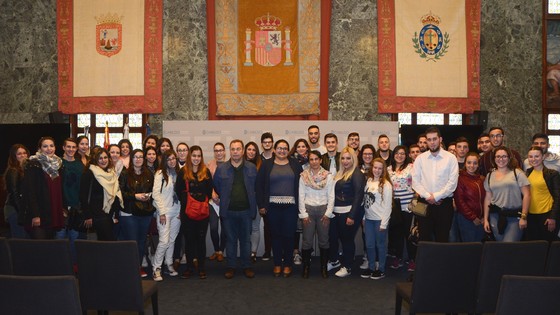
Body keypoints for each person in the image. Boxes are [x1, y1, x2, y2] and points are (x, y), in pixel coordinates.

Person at [256, 140, 303, 277]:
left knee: (289, 236)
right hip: (272, 207)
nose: (282, 151)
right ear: (274, 150)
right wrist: (262, 205)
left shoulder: (295, 164)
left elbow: (302, 186)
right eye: (280, 148)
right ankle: (277, 264)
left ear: (288, 150)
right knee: (275, 236)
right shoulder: (266, 165)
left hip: (291, 207)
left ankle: (287, 264)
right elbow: (259, 186)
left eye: (285, 148)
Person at [214, 140, 258, 279]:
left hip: (246, 211)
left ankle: (247, 266)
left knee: (246, 240)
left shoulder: (251, 168)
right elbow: (216, 186)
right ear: (229, 151)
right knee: (231, 240)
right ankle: (231, 266)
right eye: (233, 149)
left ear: (243, 150)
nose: (235, 151)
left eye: (238, 149)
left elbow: (256, 187)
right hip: (228, 211)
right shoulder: (222, 169)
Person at [411, 127, 459, 242]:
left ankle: (440, 261)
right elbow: (415, 182)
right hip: (423, 203)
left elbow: (452, 183)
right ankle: (425, 261)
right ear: (426, 141)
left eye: (434, 139)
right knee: (423, 237)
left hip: (444, 204)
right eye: (429, 139)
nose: (432, 142)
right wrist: (429, 197)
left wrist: (436, 196)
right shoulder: (420, 159)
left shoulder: (451, 158)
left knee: (442, 238)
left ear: (440, 139)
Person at [328, 147, 366, 278]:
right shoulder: (340, 173)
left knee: (347, 240)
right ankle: (335, 261)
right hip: (335, 213)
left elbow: (358, 196)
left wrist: (352, 215)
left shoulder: (357, 174)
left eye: (348, 158)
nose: (345, 161)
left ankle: (348, 266)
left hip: (348, 213)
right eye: (343, 158)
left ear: (353, 159)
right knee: (333, 238)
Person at [176, 146, 213, 279]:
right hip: (187, 212)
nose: (196, 158)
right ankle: (189, 267)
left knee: (201, 240)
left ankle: (202, 268)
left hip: (202, 213)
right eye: (194, 156)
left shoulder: (206, 171)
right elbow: (178, 191)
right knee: (189, 240)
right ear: (189, 157)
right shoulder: (183, 172)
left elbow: (209, 191)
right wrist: (189, 202)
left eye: (198, 156)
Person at [298, 150, 334, 278]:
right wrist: (304, 214)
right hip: (308, 210)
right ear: (309, 161)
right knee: (307, 241)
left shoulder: (328, 176)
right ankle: (306, 267)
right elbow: (301, 195)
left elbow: (331, 195)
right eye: (311, 159)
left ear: (320, 160)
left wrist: (328, 213)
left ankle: (324, 267)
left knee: (324, 241)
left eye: (316, 159)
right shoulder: (304, 176)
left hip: (323, 210)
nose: (313, 162)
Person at [119, 149, 155, 277]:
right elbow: (120, 194)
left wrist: (148, 195)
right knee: (132, 242)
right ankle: (131, 268)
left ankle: (138, 267)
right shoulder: (125, 174)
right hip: (129, 213)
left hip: (145, 213)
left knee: (141, 242)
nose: (138, 159)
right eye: (135, 157)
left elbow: (154, 191)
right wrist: (135, 196)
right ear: (131, 159)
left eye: (140, 157)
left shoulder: (149, 174)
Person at [483, 146, 530, 242]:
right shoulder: (489, 176)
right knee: (500, 247)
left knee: (508, 246)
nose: (501, 159)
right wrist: (485, 219)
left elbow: (527, 195)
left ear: (509, 158)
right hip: (495, 216)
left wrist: (524, 217)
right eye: (498, 156)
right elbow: (488, 198)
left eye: (504, 156)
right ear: (494, 159)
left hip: (514, 217)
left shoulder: (517, 173)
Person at [22, 137, 65, 239]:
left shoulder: (58, 164)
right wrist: (35, 215)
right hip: (40, 213)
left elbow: (60, 189)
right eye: (45, 146)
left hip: (53, 211)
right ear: (40, 149)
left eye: (51, 146)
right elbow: (30, 191)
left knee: (50, 247)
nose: (49, 149)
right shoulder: (33, 164)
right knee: (39, 248)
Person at [80, 147, 123, 241]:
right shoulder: (89, 173)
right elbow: (83, 195)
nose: (103, 160)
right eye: (100, 158)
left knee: (104, 241)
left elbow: (114, 194)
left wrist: (115, 214)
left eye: (105, 157)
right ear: (95, 160)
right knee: (108, 240)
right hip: (96, 213)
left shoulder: (111, 173)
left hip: (109, 212)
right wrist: (88, 215)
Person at [152, 150, 181, 281]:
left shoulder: (179, 173)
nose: (172, 161)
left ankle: (168, 264)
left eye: (174, 158)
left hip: (177, 211)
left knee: (172, 240)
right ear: (165, 161)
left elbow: (182, 194)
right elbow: (155, 194)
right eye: (169, 159)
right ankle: (156, 268)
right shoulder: (160, 173)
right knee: (163, 241)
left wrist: (180, 211)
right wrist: (162, 212)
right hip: (164, 211)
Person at [361, 158, 392, 280]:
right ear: (371, 168)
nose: (377, 170)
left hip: (380, 220)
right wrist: (364, 217)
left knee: (381, 245)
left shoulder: (386, 184)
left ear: (383, 170)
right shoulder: (368, 181)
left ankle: (381, 269)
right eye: (375, 167)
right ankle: (372, 267)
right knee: (369, 245)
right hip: (368, 219)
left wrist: (384, 224)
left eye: (380, 168)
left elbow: (388, 206)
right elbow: (366, 201)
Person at [57, 138, 87, 261]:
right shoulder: (57, 163)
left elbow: (83, 188)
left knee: (74, 240)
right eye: (68, 147)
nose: (71, 149)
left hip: (76, 208)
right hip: (61, 207)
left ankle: (73, 267)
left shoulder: (80, 165)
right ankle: (59, 265)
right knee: (60, 238)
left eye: (73, 147)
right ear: (63, 148)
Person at [387, 145, 416, 271]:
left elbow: (418, 183)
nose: (400, 155)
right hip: (395, 208)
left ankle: (412, 260)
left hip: (409, 206)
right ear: (393, 155)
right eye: (397, 153)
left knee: (409, 235)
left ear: (406, 155)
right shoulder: (388, 170)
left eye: (403, 153)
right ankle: (397, 258)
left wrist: (415, 198)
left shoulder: (412, 167)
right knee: (396, 235)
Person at [525, 146, 560, 241]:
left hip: (547, 215)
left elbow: (558, 197)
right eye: (530, 156)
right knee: (534, 247)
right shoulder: (527, 173)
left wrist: (553, 217)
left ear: (543, 157)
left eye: (537, 156)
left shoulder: (552, 174)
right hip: (531, 215)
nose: (533, 159)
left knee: (548, 246)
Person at [454, 152, 486, 242]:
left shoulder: (482, 179)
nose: (472, 165)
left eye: (475, 163)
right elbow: (459, 201)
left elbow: (486, 199)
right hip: (466, 219)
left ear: (478, 165)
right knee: (470, 247)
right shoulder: (460, 178)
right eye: (469, 162)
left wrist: (484, 216)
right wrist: (472, 217)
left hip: (481, 219)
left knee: (480, 247)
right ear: (465, 163)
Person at [289, 138, 311, 265]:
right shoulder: (290, 161)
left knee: (308, 227)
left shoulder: (313, 161)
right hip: (294, 198)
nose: (301, 148)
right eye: (299, 146)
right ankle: (296, 252)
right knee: (296, 228)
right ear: (295, 148)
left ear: (307, 148)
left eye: (304, 146)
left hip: (310, 198)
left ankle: (307, 251)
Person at [3, 144, 29, 238]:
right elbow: (14, 193)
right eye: (19, 154)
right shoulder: (13, 171)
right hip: (14, 210)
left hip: (20, 209)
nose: (23, 155)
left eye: (24, 153)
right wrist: (21, 213)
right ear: (14, 156)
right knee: (19, 240)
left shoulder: (25, 169)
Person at [207, 142, 227, 263]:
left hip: (225, 201)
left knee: (225, 228)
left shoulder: (229, 165)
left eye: (220, 150)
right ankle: (216, 250)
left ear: (224, 152)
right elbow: (207, 183)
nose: (218, 153)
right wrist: (212, 194)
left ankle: (221, 252)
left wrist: (222, 197)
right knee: (213, 228)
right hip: (212, 201)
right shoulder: (209, 165)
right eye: (216, 151)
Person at [358, 144, 375, 270]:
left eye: (370, 154)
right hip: (360, 206)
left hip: (374, 206)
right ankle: (367, 257)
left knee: (374, 234)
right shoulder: (357, 169)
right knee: (365, 233)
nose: (367, 156)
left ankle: (375, 259)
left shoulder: (377, 169)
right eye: (365, 154)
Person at [244, 141, 263, 262]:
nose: (251, 152)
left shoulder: (261, 165)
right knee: (245, 227)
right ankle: (245, 251)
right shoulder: (239, 163)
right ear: (245, 151)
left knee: (255, 227)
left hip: (256, 200)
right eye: (249, 149)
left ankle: (253, 253)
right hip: (242, 200)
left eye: (253, 150)